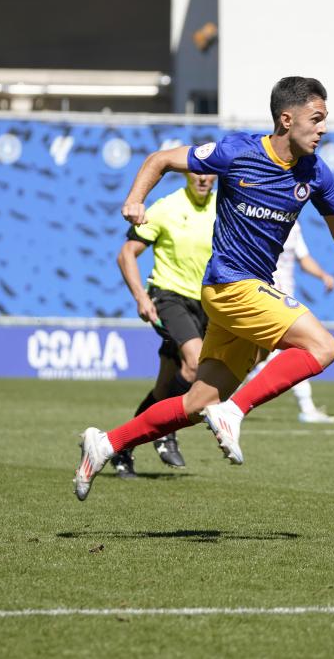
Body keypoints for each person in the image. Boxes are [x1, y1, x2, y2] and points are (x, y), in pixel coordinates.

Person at [73, 76, 334, 501]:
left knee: (197, 401)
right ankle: (234, 412)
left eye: (325, 120)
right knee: (324, 347)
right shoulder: (237, 151)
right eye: (317, 119)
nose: (324, 128)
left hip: (246, 293)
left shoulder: (315, 172)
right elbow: (160, 159)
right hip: (230, 285)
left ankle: (105, 444)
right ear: (286, 119)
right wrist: (135, 200)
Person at [111, 171, 217, 477]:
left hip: (205, 304)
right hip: (169, 298)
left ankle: (118, 447)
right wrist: (141, 297)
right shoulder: (166, 208)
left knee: (164, 388)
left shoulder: (222, 208)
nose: (202, 179)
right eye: (196, 172)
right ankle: (166, 432)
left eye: (209, 174)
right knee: (196, 365)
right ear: (185, 173)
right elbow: (126, 254)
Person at [251, 222, 334, 423]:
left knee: (257, 355)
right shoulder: (260, 219)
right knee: (298, 349)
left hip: (286, 299)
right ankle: (306, 408)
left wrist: (323, 275)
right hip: (266, 298)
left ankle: (217, 399)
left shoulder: (295, 225)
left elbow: (303, 258)